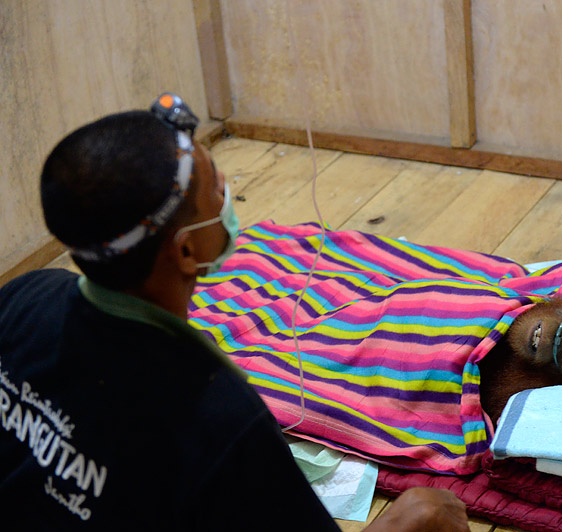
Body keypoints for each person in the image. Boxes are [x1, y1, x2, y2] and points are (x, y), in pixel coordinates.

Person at [0, 93, 469, 531]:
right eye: (217, 191)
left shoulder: (26, 296)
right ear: (185, 252)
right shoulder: (215, 415)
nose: (226, 196)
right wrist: (409, 519)